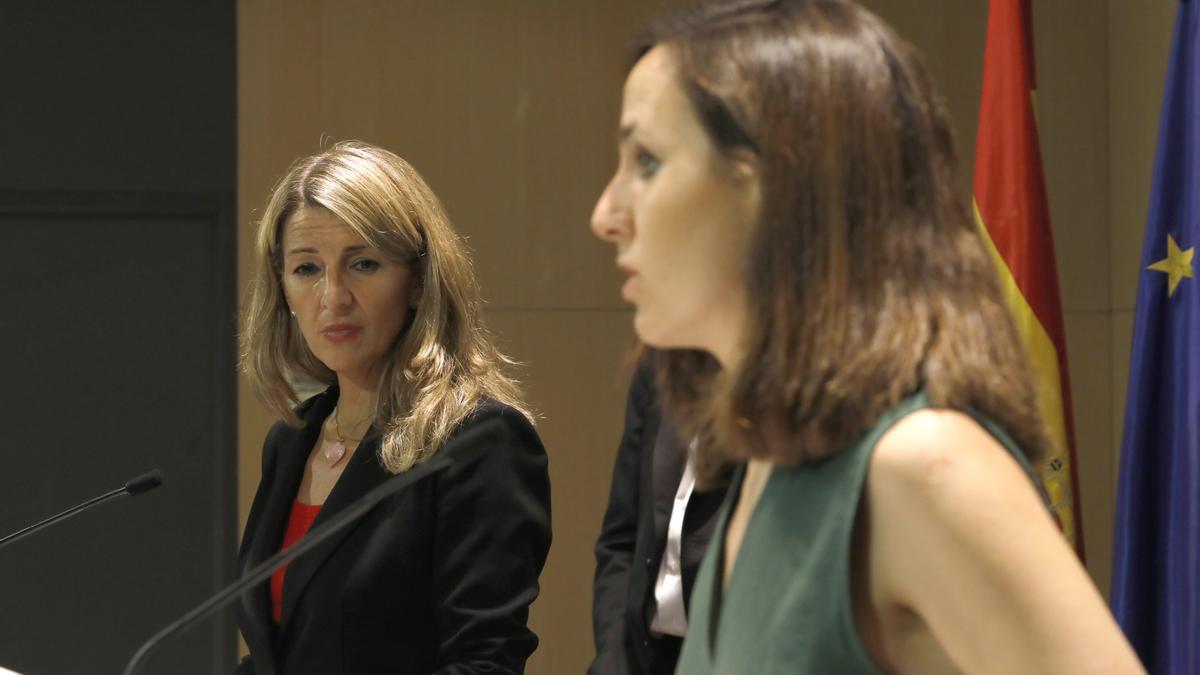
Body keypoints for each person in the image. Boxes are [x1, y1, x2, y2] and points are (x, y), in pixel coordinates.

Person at [589, 1, 1145, 673]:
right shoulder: (769, 454)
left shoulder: (923, 465)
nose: (606, 215)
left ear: (781, 185)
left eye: (646, 161)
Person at [235, 141, 551, 675]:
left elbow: (483, 663)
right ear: (282, 289)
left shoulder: (479, 441)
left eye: (363, 264)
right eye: (306, 269)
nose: (333, 296)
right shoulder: (291, 441)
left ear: (418, 281)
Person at [590, 355, 726, 675]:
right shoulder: (657, 369)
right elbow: (621, 538)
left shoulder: (777, 385)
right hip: (644, 656)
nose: (628, 300)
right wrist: (612, 658)